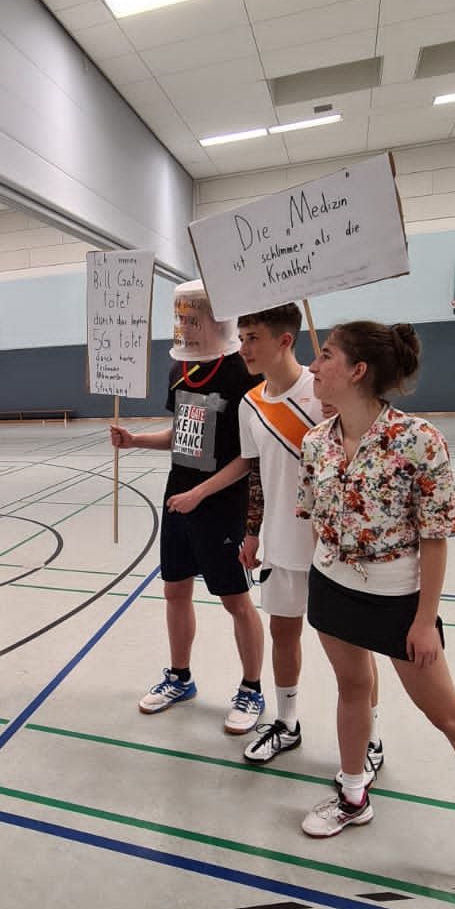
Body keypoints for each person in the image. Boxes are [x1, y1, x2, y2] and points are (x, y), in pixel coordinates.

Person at [295, 320, 455, 904]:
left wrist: (424, 620)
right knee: (352, 688)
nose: (314, 367)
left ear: (358, 371)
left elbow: (435, 537)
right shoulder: (316, 442)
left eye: (325, 356)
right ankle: (352, 795)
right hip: (331, 588)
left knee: (449, 716)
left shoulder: (419, 440)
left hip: (399, 602)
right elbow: (312, 517)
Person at [237, 304, 384, 785]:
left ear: (285, 340)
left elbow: (371, 450)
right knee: (283, 633)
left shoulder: (326, 390)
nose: (244, 348)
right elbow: (256, 476)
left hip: (333, 548)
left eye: (253, 337)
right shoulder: (249, 404)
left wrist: (345, 414)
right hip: (280, 543)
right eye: (241, 338)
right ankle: (287, 722)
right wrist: (253, 532)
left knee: (354, 652)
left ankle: (370, 740)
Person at [110, 283, 265, 734]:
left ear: (217, 320)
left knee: (235, 600)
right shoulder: (179, 370)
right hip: (178, 497)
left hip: (223, 505)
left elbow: (248, 457)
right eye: (181, 318)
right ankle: (180, 678)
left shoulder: (242, 373)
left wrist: (201, 494)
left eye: (192, 318)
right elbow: (181, 435)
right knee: (175, 591)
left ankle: (252, 688)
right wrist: (136, 440)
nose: (184, 326)